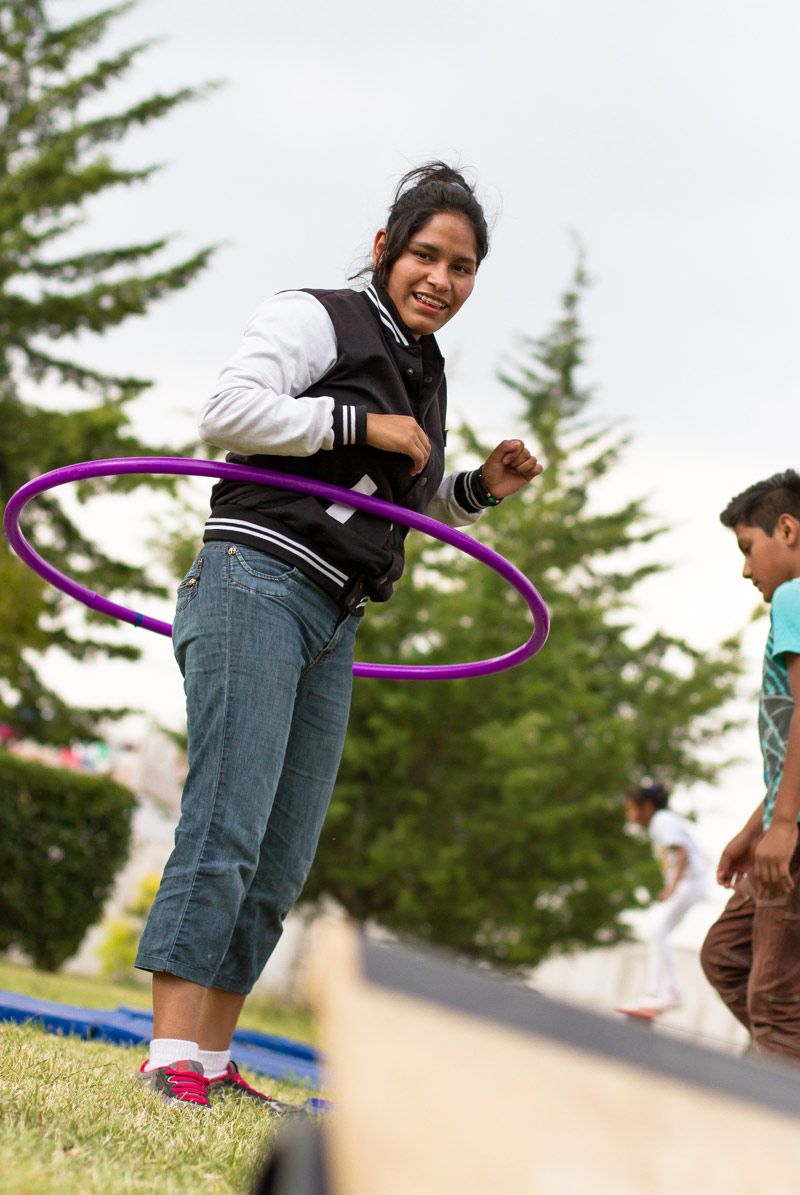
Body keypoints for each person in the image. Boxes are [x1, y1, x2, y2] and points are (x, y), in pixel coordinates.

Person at [134, 162, 544, 1108]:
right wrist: (361, 421)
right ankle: (165, 1052)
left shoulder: (426, 367)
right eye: (427, 255)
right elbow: (228, 410)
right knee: (228, 817)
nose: (442, 278)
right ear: (385, 250)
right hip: (255, 576)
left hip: (335, 612)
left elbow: (396, 492)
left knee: (282, 850)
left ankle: (208, 1057)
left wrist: (477, 487)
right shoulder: (316, 315)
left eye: (464, 266)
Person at [700, 469, 800, 1061]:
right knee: (726, 955)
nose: (745, 569)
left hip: (797, 826)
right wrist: (756, 823)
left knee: (775, 1002)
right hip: (785, 815)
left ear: (786, 529)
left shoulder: (793, 596)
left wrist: (784, 825)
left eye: (748, 548)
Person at [619, 781, 708, 1015]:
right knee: (659, 931)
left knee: (658, 931)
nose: (630, 816)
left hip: (691, 881)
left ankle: (662, 993)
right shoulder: (661, 822)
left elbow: (681, 851)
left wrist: (673, 886)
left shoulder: (661, 821)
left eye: (632, 809)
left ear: (647, 807)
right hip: (690, 882)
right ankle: (664, 992)